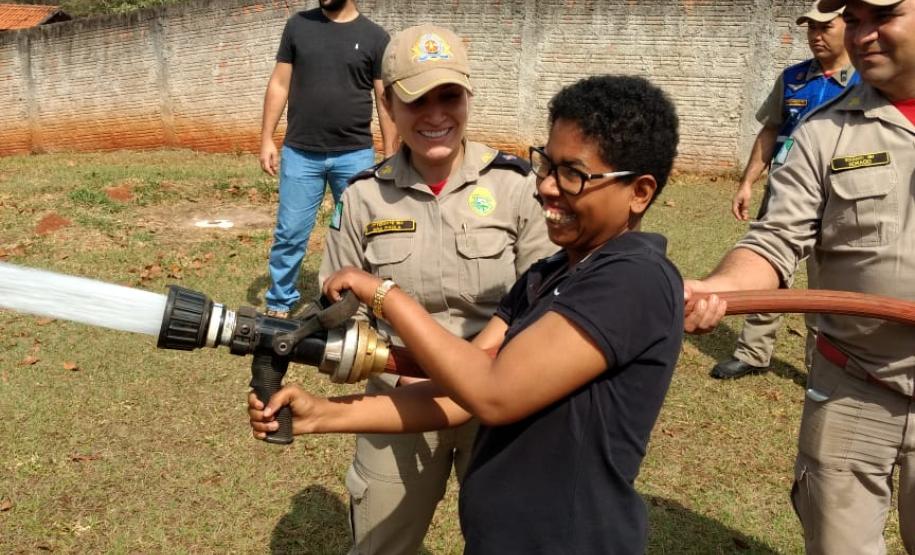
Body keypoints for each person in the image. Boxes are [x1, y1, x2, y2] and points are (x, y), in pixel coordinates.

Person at [250, 74, 683, 554]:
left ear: (639, 192)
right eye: (547, 165)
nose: (546, 187)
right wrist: (324, 414)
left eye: (573, 174)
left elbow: (494, 394)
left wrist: (386, 296)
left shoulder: (632, 280)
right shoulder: (546, 275)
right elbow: (462, 393)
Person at [316, 24, 556, 554]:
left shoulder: (514, 185)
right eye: (416, 99)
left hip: (498, 403)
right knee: (381, 546)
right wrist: (389, 371)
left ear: (467, 96)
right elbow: (336, 310)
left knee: (509, 543)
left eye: (449, 95)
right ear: (389, 104)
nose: (435, 114)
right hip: (398, 401)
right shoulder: (362, 198)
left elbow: (549, 298)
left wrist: (498, 373)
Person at [685, 0, 915, 551]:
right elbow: (775, 238)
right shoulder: (822, 132)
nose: (862, 35)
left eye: (881, 17)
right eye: (854, 20)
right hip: (854, 386)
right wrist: (718, 289)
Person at [712, 0, 860, 379]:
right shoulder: (793, 78)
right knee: (770, 271)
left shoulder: (867, 82)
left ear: (849, 26)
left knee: (826, 285)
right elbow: (770, 131)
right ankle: (753, 353)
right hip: (785, 194)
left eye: (825, 27)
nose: (815, 35)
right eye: (810, 28)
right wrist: (747, 182)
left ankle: (820, 364)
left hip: (840, 198)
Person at [260, 0, 398, 318]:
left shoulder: (376, 37)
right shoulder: (298, 26)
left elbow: (384, 100)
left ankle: (361, 301)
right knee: (290, 232)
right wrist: (267, 138)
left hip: (354, 156)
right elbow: (279, 84)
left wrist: (391, 153)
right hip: (300, 154)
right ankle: (280, 302)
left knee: (360, 232)